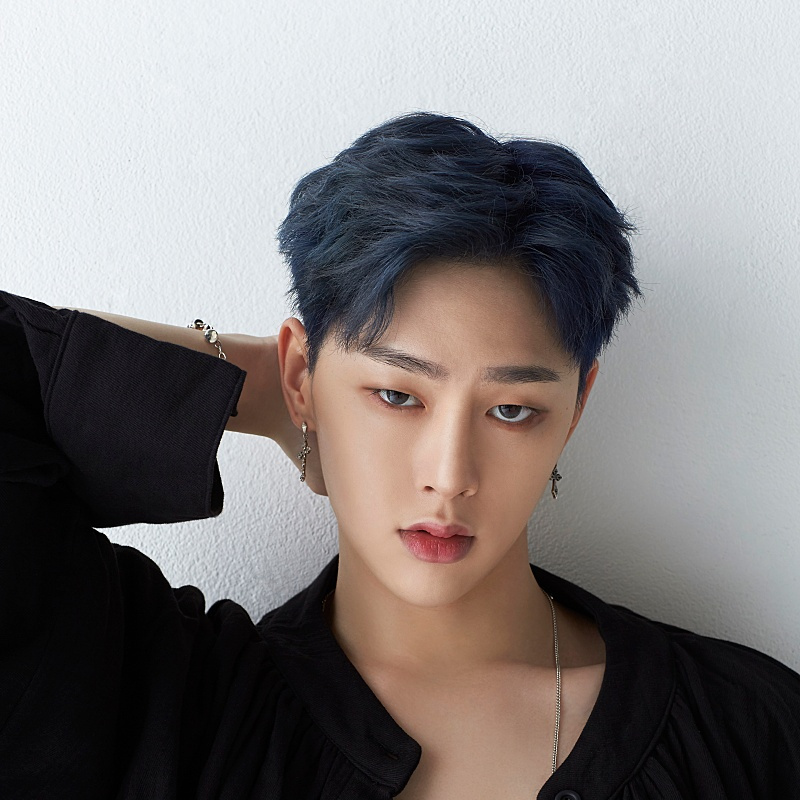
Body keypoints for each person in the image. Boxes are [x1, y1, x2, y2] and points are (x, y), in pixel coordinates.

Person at [1, 112, 799, 800]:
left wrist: (335, 394)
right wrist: (267, 393)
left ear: (575, 409)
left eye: (512, 410)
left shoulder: (748, 731)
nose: (449, 477)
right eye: (395, 396)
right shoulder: (174, 710)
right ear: (302, 375)